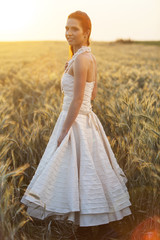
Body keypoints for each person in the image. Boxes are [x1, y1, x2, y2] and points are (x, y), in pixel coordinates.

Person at [21, 10, 132, 240]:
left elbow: (79, 98)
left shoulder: (81, 59)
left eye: (74, 29)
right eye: (66, 28)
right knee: (86, 175)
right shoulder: (86, 57)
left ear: (86, 33)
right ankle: (93, 230)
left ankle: (96, 231)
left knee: (78, 174)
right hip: (85, 120)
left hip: (75, 123)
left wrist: (64, 131)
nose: (68, 33)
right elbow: (93, 95)